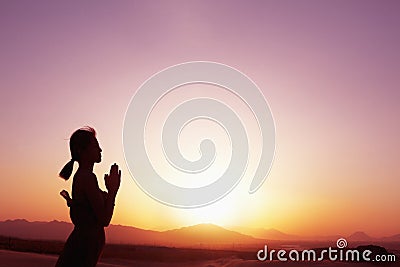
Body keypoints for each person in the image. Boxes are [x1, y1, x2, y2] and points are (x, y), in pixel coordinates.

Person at [55, 126, 121, 267]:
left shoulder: (83, 177)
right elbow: (104, 219)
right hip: (82, 251)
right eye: (96, 146)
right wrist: (113, 191)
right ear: (82, 150)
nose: (100, 150)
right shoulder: (87, 177)